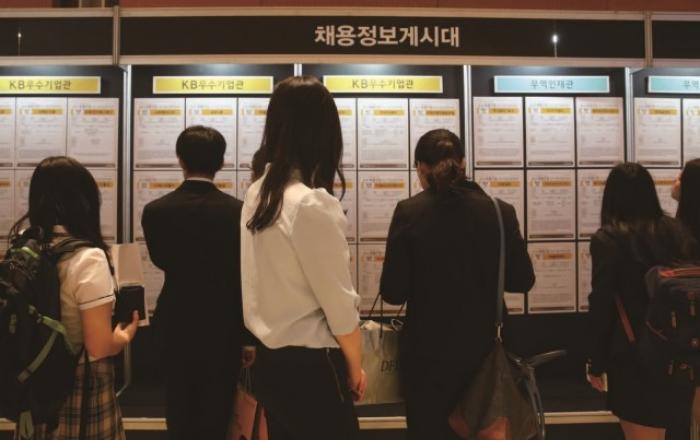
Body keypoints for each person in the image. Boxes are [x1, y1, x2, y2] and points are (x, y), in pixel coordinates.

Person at [380, 129, 535, 440]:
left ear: (421, 168)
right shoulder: (499, 211)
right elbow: (522, 280)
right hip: (486, 357)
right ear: (463, 163)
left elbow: (393, 292)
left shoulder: (410, 212)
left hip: (428, 360)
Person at [241, 76, 364, 439]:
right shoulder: (310, 204)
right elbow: (339, 307)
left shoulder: (258, 193)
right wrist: (356, 367)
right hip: (315, 369)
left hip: (272, 364)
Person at [11, 156, 139, 439]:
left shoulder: (25, 247)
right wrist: (124, 335)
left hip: (33, 384)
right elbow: (98, 345)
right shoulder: (88, 257)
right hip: (77, 387)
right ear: (85, 202)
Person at [141, 126, 250, 440]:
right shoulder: (238, 213)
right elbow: (243, 273)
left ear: (180, 159)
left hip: (175, 321)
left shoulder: (156, 212)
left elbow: (162, 260)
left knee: (179, 410)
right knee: (218, 411)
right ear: (221, 162)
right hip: (225, 325)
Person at [587, 163, 696, 440]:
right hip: (678, 352)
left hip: (633, 354)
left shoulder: (609, 239)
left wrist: (596, 362)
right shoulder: (676, 231)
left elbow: (602, 304)